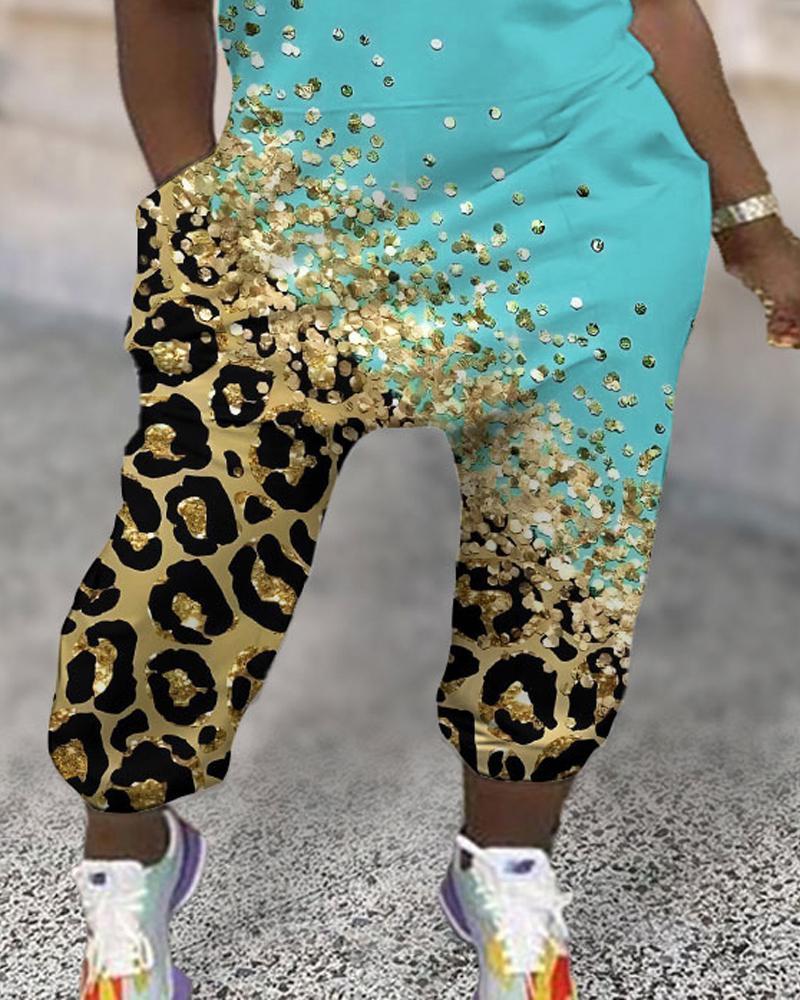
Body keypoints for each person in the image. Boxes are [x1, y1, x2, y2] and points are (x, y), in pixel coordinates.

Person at [48, 1, 800, 997]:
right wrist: (193, 204)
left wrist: (748, 220)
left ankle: (505, 870)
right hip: (291, 223)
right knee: (181, 556)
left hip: (583, 215)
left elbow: (654, 6)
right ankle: (128, 858)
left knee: (558, 570)